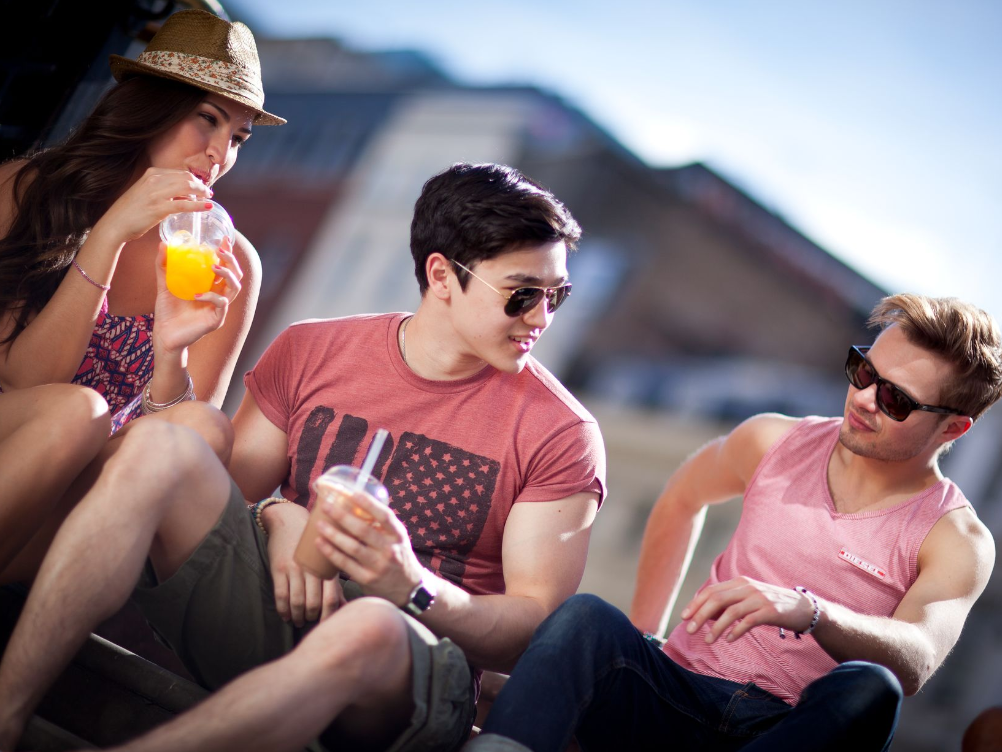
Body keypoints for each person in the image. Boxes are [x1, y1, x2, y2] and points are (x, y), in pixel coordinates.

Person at [0, 162, 606, 752]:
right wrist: (175, 363)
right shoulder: (312, 348)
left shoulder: (560, 432)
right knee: (169, 439)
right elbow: (198, 493)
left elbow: (533, 631)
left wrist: (410, 585)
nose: (541, 318)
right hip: (273, 603)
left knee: (366, 627)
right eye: (523, 294)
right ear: (442, 275)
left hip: (403, 674)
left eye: (558, 295)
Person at [465, 293, 1001, 752]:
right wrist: (650, 630)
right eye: (864, 372)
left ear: (953, 427)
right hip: (674, 692)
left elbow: (916, 660)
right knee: (585, 618)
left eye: (896, 400)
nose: (863, 399)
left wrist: (811, 612)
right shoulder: (773, 439)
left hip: (785, 730)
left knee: (872, 688)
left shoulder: (956, 538)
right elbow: (681, 498)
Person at [0, 8, 283, 574]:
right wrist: (107, 236)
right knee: (77, 411)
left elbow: (179, 452)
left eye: (239, 139)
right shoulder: (24, 187)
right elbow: (23, 382)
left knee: (203, 426)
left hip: (76, 513)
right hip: (16, 439)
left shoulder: (229, 261)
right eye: (208, 119)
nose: (220, 155)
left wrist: (171, 353)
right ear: (152, 106)